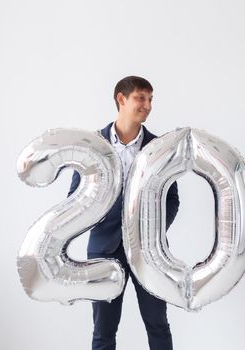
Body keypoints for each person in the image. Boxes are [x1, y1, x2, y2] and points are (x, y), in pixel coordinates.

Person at [68, 76, 180, 350]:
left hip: (150, 253)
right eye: (141, 98)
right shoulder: (93, 145)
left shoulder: (159, 146)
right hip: (104, 250)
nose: (148, 105)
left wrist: (150, 232)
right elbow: (75, 199)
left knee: (157, 325)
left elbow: (173, 200)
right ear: (122, 99)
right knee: (103, 329)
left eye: (150, 99)